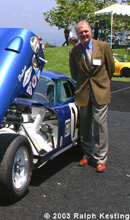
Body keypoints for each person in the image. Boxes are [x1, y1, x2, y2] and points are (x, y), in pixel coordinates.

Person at [69, 20, 115, 173]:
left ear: (90, 31)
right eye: (81, 32)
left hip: (100, 91)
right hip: (83, 92)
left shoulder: (103, 47)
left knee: (99, 124)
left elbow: (111, 68)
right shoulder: (74, 52)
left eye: (86, 31)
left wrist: (104, 84)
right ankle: (87, 154)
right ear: (77, 35)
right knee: (85, 124)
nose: (84, 34)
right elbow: (74, 73)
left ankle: (100, 159)